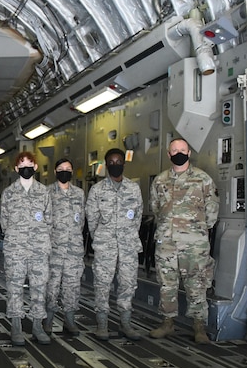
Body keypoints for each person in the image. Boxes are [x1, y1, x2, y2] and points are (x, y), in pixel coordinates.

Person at [149, 137, 219, 344]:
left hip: (194, 243)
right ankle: (167, 323)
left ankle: (199, 326)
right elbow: (156, 208)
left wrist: (196, 231)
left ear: (189, 153)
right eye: (174, 150)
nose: (178, 153)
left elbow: (212, 210)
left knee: (196, 283)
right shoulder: (160, 181)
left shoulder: (203, 179)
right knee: (166, 284)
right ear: (169, 155)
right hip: (166, 242)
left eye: (182, 149)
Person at [85, 148, 142, 341]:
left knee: (128, 284)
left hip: (128, 246)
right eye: (111, 162)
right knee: (102, 284)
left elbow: (137, 217)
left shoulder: (133, 189)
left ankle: (125, 323)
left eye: (118, 161)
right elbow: (91, 219)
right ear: (106, 164)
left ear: (123, 164)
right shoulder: (97, 190)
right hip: (105, 245)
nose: (115, 165)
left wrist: (128, 235)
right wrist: (101, 238)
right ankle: (102, 324)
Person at [0, 151, 52, 346]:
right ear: (16, 169)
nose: (26, 168)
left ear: (36, 167)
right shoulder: (9, 193)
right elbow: (4, 222)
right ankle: (16, 327)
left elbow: (49, 220)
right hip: (16, 249)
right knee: (14, 287)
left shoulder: (44, 192)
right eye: (22, 165)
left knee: (39, 287)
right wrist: (17, 238)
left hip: (39, 248)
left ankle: (37, 326)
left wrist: (39, 238)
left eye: (30, 164)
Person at [45, 158, 85, 336]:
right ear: (55, 171)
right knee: (51, 286)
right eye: (61, 169)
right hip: (53, 249)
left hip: (73, 250)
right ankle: (48, 320)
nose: (64, 172)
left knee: (72, 286)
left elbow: (81, 221)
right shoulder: (46, 193)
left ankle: (69, 321)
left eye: (68, 169)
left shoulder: (79, 194)